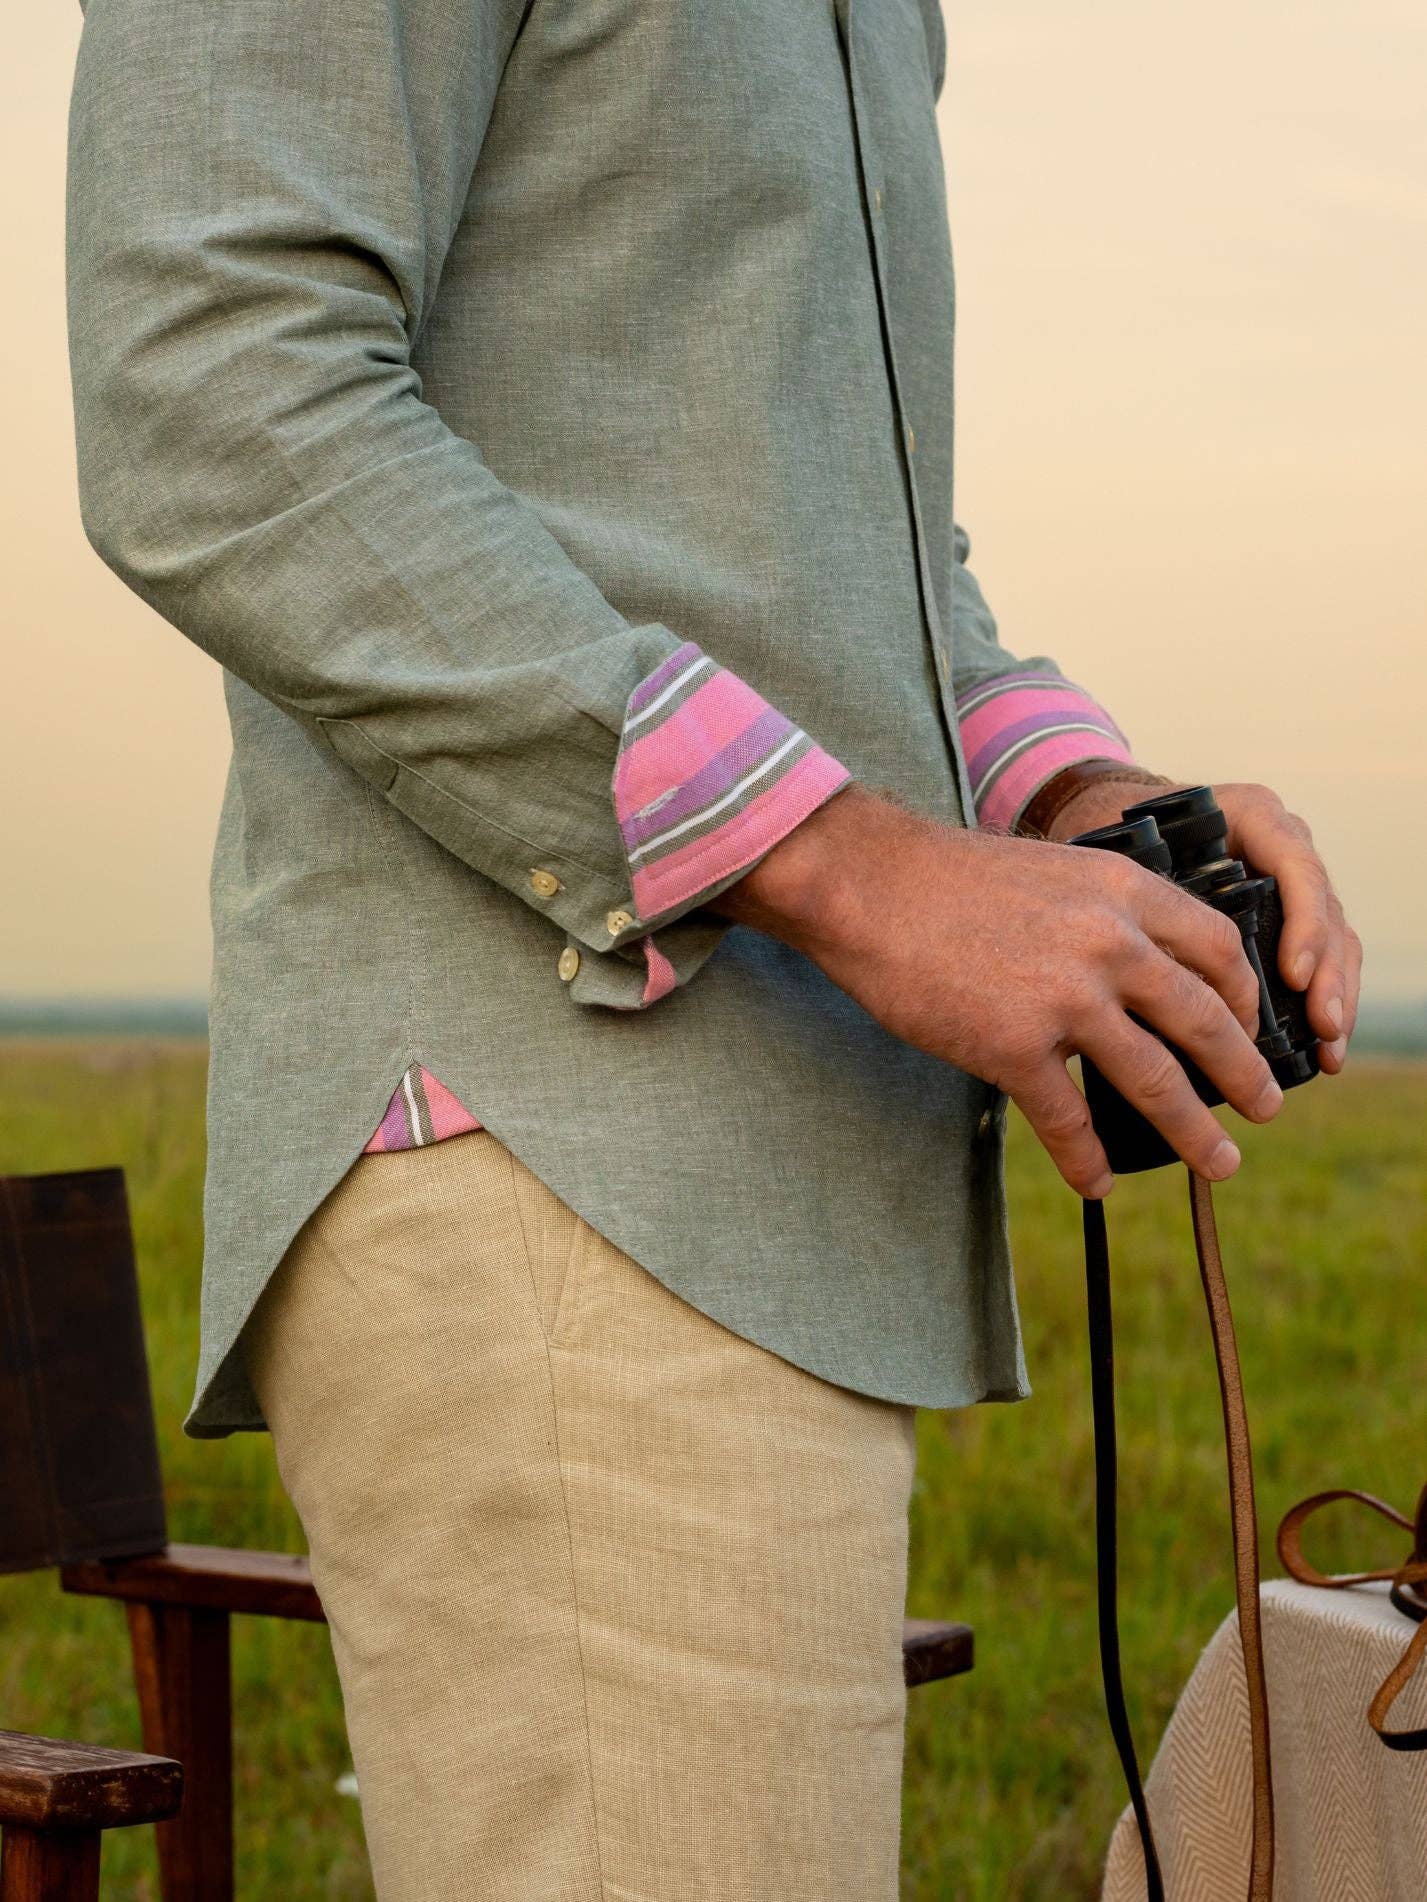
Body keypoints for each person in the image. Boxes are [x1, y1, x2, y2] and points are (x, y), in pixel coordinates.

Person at [64, 0, 1360, 1895]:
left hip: (748, 1195)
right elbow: (213, 385)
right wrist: (864, 873)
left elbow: (843, 560)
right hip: (556, 1159)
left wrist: (1061, 795)